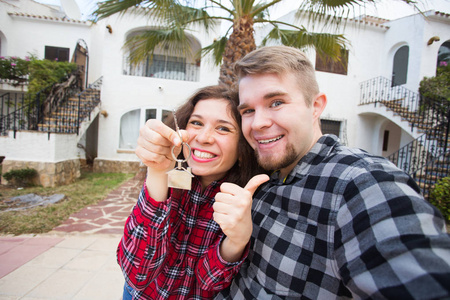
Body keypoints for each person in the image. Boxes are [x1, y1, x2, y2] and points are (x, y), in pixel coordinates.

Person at [215, 46, 450, 299]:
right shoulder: (264, 174)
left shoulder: (361, 182)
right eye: (248, 111)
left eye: (277, 102)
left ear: (316, 106)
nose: (258, 122)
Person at [117, 85, 268, 299]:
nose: (204, 137)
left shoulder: (244, 199)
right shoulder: (165, 176)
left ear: (243, 148)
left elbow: (208, 281)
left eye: (223, 128)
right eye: (196, 123)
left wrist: (236, 241)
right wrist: (157, 170)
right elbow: (137, 273)